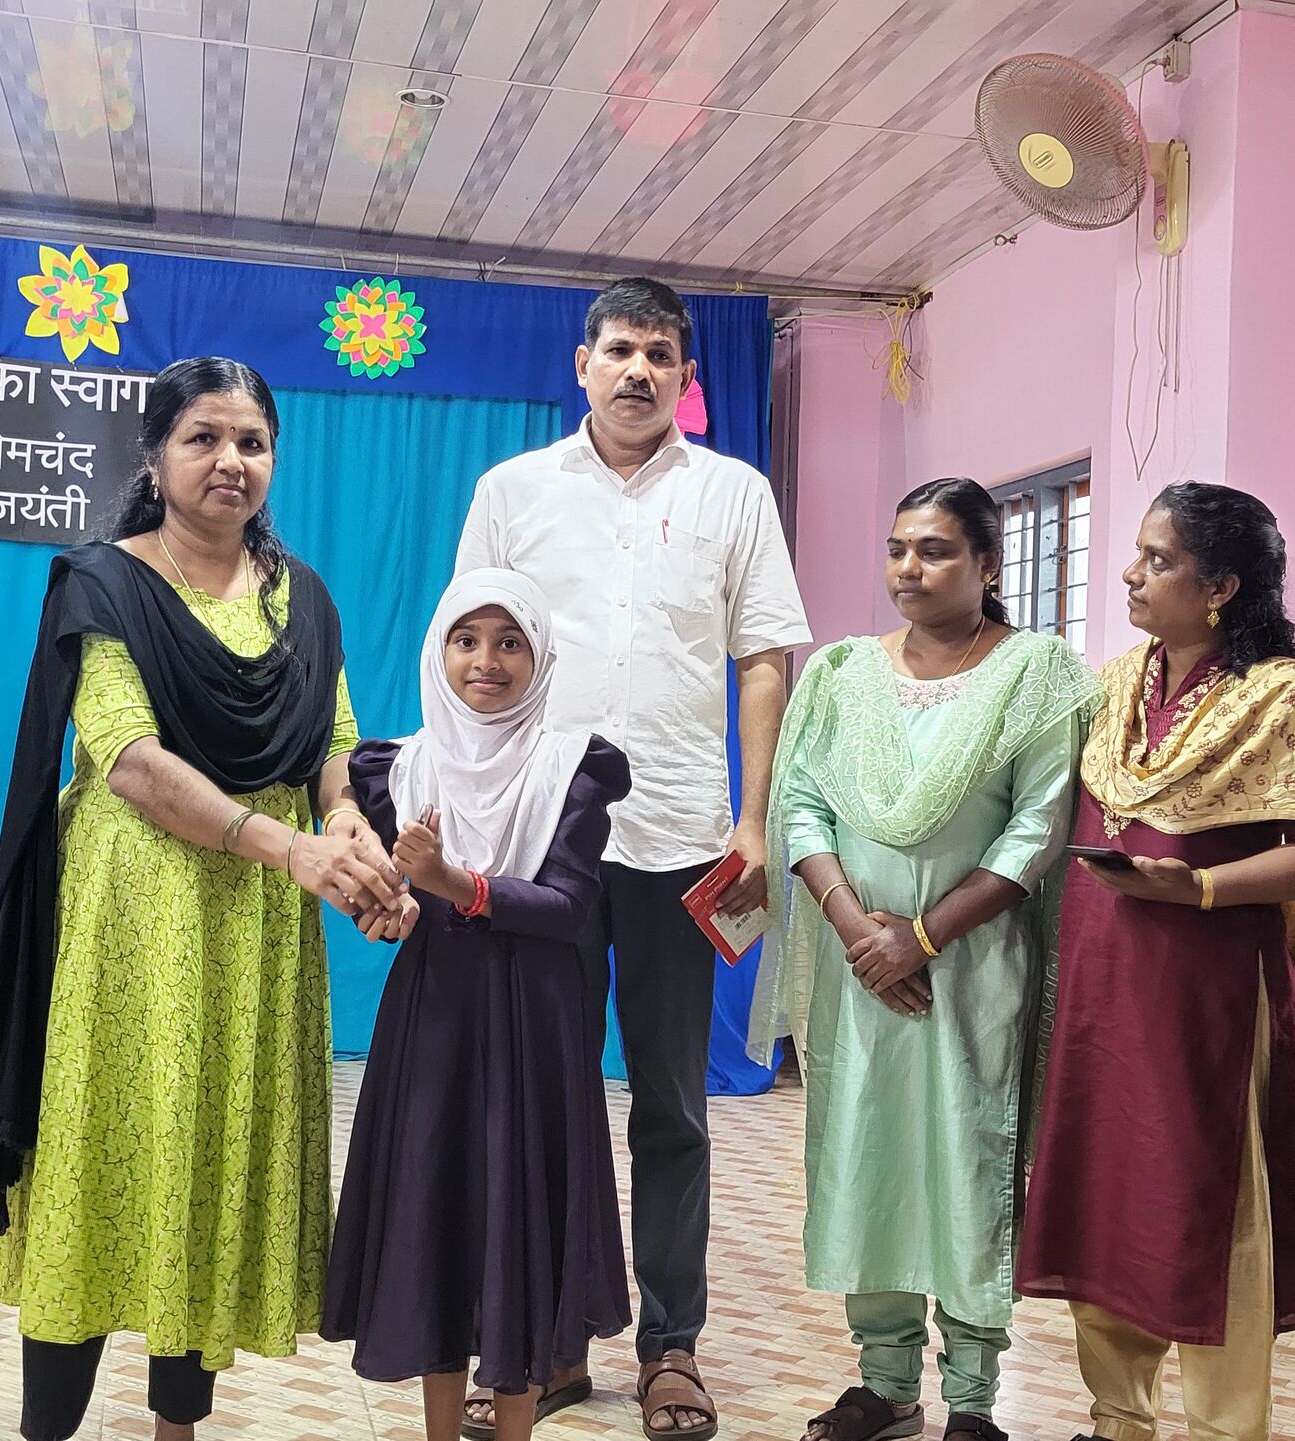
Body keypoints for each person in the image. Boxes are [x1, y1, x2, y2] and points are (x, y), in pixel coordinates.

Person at [0, 356, 409, 1441]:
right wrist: (285, 847)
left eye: (251, 441)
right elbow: (129, 759)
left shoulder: (305, 599)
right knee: (105, 1148)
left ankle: (178, 1427)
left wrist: (346, 818)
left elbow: (334, 743)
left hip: (256, 929)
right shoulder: (103, 583)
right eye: (203, 437)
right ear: (155, 457)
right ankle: (49, 1426)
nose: (229, 460)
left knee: (207, 1156)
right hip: (134, 919)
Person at [454, 276, 811, 1440]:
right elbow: (470, 659)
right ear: (583, 364)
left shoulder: (733, 494)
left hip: (678, 842)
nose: (638, 370)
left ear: (686, 376)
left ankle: (670, 1346)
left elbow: (765, 660)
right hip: (539, 845)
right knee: (539, 1102)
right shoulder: (511, 493)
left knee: (671, 1107)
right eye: (620, 350)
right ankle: (547, 1344)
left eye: (660, 353)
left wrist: (752, 822)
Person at [1018, 482, 1295, 1441]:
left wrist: (1204, 888)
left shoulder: (1285, 702)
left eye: (1159, 559)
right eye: (1138, 553)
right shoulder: (1116, 686)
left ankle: (1224, 1427)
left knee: (1215, 1208)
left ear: (1219, 588)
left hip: (1208, 993)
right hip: (1103, 985)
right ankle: (1118, 1417)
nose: (1131, 574)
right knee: (1109, 1196)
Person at [755, 478, 1100, 1441]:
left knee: (968, 1157)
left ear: (989, 565)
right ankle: (885, 1382)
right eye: (898, 547)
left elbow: (1038, 827)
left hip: (974, 965)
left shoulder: (1035, 674)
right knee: (868, 1157)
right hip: (859, 967)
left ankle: (975, 1400)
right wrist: (857, 928)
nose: (910, 567)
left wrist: (924, 934)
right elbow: (801, 803)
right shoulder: (841, 674)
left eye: (937, 550)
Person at [322, 568, 635, 1441]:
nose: (485, 661)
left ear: (541, 657)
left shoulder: (574, 766)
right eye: (466, 640)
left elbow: (568, 906)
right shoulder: (397, 767)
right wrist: (384, 904)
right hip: (434, 1022)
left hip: (534, 1024)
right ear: (439, 652)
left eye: (509, 642)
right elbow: (387, 898)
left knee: (518, 1237)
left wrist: (452, 880)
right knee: (438, 1223)